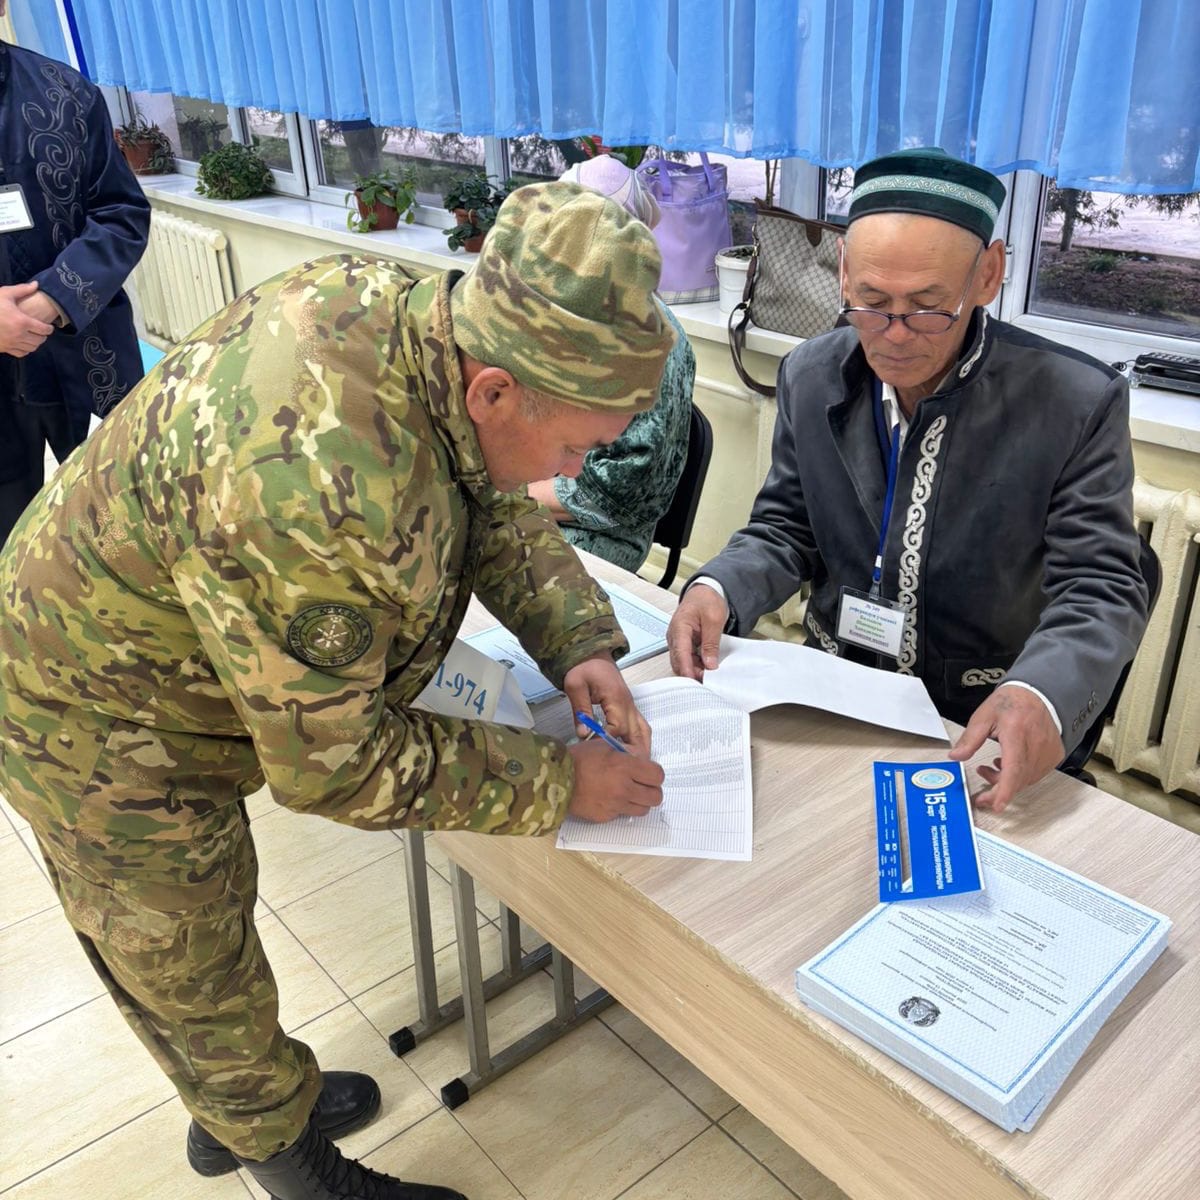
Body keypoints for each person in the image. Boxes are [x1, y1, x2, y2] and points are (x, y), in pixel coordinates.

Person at [0, 181, 671, 1200]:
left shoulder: (422, 324)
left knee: (201, 940)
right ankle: (288, 1164)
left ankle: (245, 1106)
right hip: (85, 701)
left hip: (155, 623)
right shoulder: (315, 488)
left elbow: (486, 494)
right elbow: (337, 766)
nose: (578, 466)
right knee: (187, 946)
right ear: (496, 390)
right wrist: (558, 783)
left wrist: (578, 641)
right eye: (577, 446)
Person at [667, 148, 1149, 814]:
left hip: (972, 724)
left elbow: (1101, 586)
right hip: (834, 695)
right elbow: (786, 525)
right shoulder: (812, 374)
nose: (893, 335)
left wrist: (1039, 693)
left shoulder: (1073, 403)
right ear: (843, 270)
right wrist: (718, 588)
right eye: (870, 302)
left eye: (927, 308)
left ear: (988, 275)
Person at [0, 6, 150, 543]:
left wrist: (54, 298)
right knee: (10, 545)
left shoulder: (65, 93)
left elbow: (121, 213)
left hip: (89, 352)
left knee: (125, 516)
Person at [527, 155, 695, 571]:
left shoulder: (655, 340)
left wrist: (511, 496)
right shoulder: (561, 306)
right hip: (533, 494)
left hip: (600, 528)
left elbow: (621, 492)